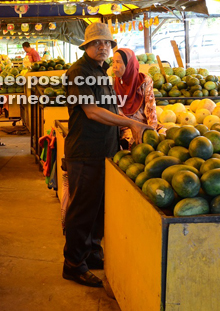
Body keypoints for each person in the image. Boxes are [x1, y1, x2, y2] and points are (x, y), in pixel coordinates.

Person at [63, 22, 152, 288]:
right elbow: (91, 111)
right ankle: (73, 264)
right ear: (87, 46)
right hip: (85, 151)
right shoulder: (79, 71)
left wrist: (126, 125)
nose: (103, 47)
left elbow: (109, 107)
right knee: (83, 208)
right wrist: (130, 123)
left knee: (98, 207)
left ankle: (90, 253)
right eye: (97, 43)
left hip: (104, 149)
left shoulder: (101, 71)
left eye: (107, 43)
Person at [112, 48, 158, 148]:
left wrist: (151, 130)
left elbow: (151, 109)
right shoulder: (112, 84)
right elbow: (116, 113)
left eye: (118, 62)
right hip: (125, 127)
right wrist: (132, 126)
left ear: (129, 64)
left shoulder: (145, 81)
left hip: (145, 124)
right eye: (113, 62)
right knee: (133, 141)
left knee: (163, 135)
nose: (114, 66)